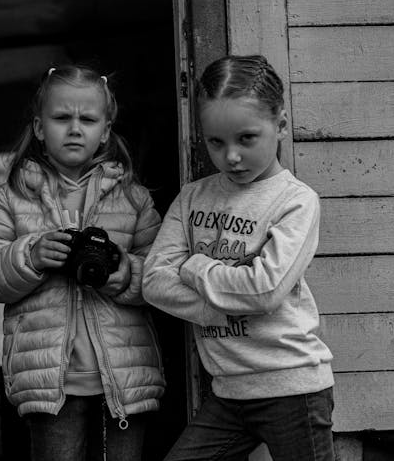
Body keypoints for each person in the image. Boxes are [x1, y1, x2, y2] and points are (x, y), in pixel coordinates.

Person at [142, 54, 334, 460]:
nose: (231, 156)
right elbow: (155, 281)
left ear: (280, 125)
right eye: (216, 142)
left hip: (292, 387)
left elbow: (264, 290)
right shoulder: (193, 197)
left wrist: (195, 267)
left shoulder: (295, 201)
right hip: (227, 391)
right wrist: (227, 304)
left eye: (246, 138)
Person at [0, 65, 165, 461]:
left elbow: (164, 278)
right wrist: (30, 256)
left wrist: (122, 271)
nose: (75, 128)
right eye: (62, 118)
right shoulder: (11, 199)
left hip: (124, 379)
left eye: (88, 119)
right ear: (40, 128)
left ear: (106, 131)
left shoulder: (134, 199)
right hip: (49, 383)